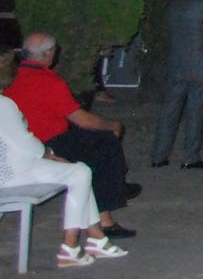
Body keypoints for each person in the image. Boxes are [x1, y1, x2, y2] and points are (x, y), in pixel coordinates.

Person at [0, 50, 131, 268]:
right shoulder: (3, 105)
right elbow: (26, 146)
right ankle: (70, 246)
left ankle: (96, 238)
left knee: (79, 171)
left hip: (11, 166)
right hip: (9, 174)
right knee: (79, 171)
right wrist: (52, 156)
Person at [149, 0, 203, 170]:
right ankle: (191, 156)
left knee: (169, 110)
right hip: (198, 65)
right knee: (195, 112)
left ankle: (159, 155)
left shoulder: (173, 4)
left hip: (176, 64)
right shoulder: (201, 4)